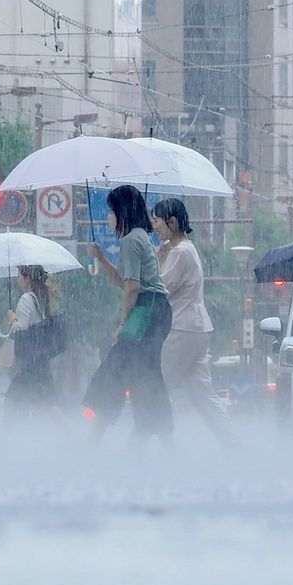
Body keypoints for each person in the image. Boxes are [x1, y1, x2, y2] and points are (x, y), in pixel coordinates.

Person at [85, 185, 174, 445]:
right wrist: (101, 259)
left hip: (147, 311)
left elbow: (133, 288)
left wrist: (123, 323)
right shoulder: (138, 237)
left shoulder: (130, 241)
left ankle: (94, 439)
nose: (108, 217)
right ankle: (161, 442)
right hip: (156, 311)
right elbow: (124, 281)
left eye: (111, 211)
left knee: (116, 370)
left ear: (121, 211)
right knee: (142, 375)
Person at [151, 198, 239, 449]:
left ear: (172, 222)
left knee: (156, 386)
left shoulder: (180, 252)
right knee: (203, 395)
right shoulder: (187, 249)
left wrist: (159, 258)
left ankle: (149, 444)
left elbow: (160, 288)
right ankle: (234, 445)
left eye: (157, 221)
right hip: (197, 328)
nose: (154, 226)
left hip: (182, 328)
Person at [1, 265, 59, 424]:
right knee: (45, 405)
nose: (17, 279)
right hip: (38, 361)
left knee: (12, 400)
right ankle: (72, 433)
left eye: (19, 275)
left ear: (27, 279)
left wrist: (12, 319)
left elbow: (21, 330)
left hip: (31, 364)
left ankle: (2, 437)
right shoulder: (38, 298)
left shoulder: (26, 299)